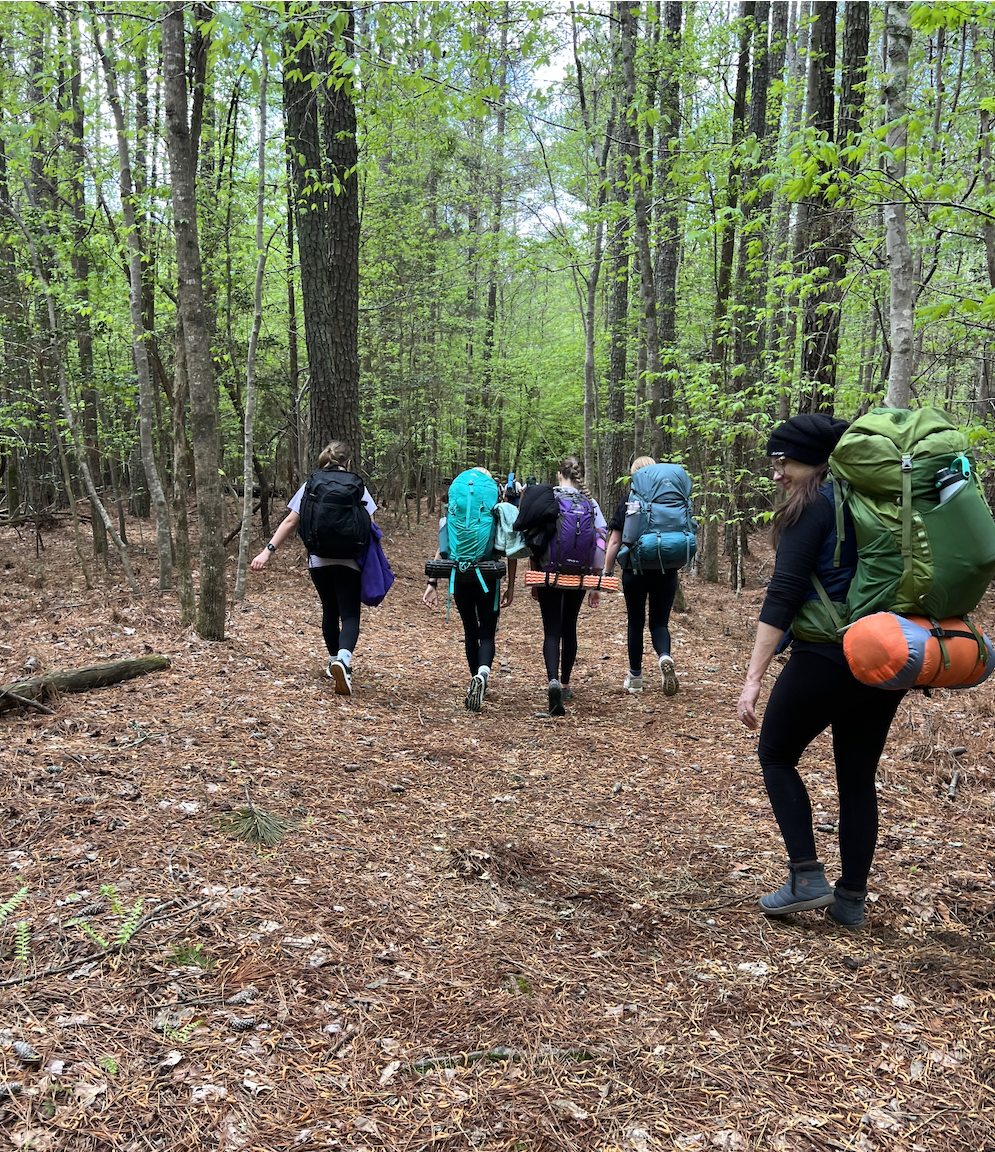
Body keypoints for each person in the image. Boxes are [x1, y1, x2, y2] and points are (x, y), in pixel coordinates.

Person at [736, 414, 907, 928]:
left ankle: (806, 876)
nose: (776, 474)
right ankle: (851, 899)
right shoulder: (871, 503)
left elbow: (784, 592)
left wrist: (753, 677)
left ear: (813, 461)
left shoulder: (812, 507)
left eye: (782, 462)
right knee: (857, 775)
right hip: (887, 655)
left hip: (829, 655)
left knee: (776, 752)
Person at [251, 440, 375, 697]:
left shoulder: (311, 485)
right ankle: (344, 660)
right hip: (350, 560)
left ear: (323, 462)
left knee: (330, 609)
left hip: (318, 560)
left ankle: (333, 661)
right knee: (350, 614)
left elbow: (290, 521)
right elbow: (370, 524)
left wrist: (267, 551)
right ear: (348, 463)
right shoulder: (356, 486)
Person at [422, 468, 518, 712]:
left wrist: (432, 584)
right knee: (487, 632)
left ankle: (474, 676)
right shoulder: (495, 512)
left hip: (459, 574)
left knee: (469, 630)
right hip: (488, 574)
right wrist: (511, 586)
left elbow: (442, 548)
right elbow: (509, 549)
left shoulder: (453, 513)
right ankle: (483, 675)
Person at [527, 456, 607, 717]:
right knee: (569, 626)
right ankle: (565, 684)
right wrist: (595, 580)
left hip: (549, 571)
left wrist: (535, 575)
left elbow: (535, 538)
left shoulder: (549, 497)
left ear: (559, 474)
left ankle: (551, 680)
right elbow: (601, 540)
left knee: (551, 629)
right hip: (580, 574)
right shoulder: (590, 502)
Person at [602, 456, 680, 696]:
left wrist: (607, 572)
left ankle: (635, 678)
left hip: (635, 571)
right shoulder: (670, 501)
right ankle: (664, 656)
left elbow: (615, 540)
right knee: (659, 623)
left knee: (635, 622)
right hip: (666, 570)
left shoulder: (629, 500)